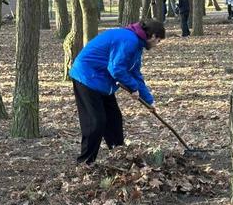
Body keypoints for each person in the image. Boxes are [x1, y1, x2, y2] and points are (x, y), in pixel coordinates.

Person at [69, 18, 166, 164]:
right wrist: (132, 88)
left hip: (102, 81)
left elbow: (135, 74)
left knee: (114, 120)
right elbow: (116, 69)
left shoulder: (136, 45)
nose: (157, 45)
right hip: (87, 77)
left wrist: (149, 100)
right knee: (96, 122)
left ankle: (119, 156)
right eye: (158, 41)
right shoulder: (129, 40)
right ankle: (85, 163)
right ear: (152, 36)